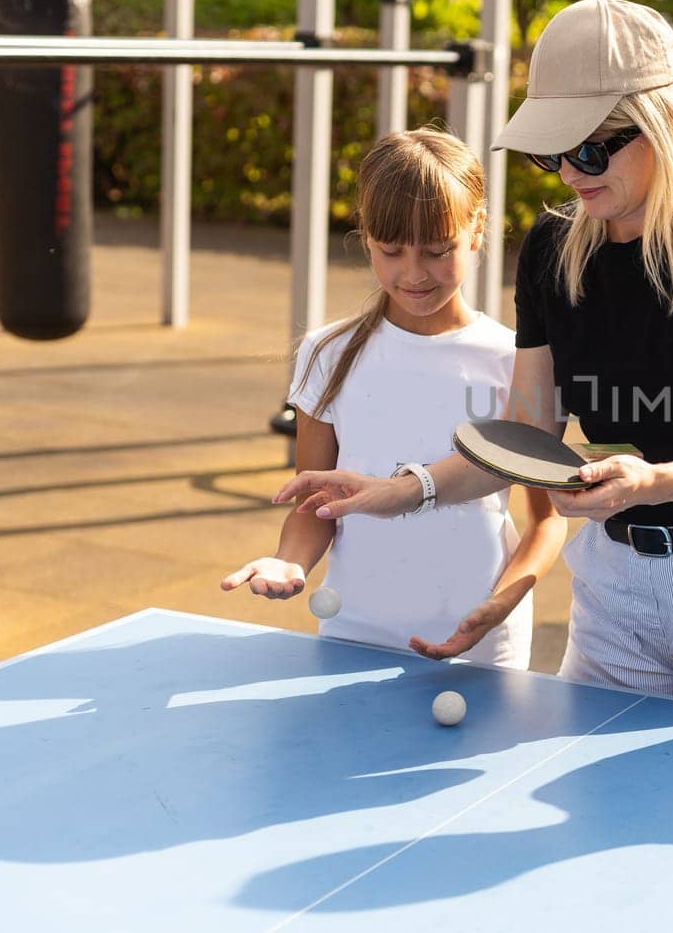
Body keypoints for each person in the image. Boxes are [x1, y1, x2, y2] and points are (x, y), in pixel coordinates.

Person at [274, 0, 673, 715]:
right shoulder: (552, 247)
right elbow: (527, 437)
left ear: (660, 123)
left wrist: (650, 480)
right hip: (614, 585)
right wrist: (401, 489)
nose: (570, 172)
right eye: (552, 152)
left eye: (591, 148)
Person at [222, 129, 567, 667]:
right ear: (366, 241)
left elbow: (546, 520)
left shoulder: (516, 360)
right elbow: (316, 507)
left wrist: (501, 604)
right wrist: (289, 562)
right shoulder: (326, 354)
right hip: (354, 634)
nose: (414, 273)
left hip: (481, 648)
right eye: (391, 251)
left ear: (477, 232)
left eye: (437, 251)